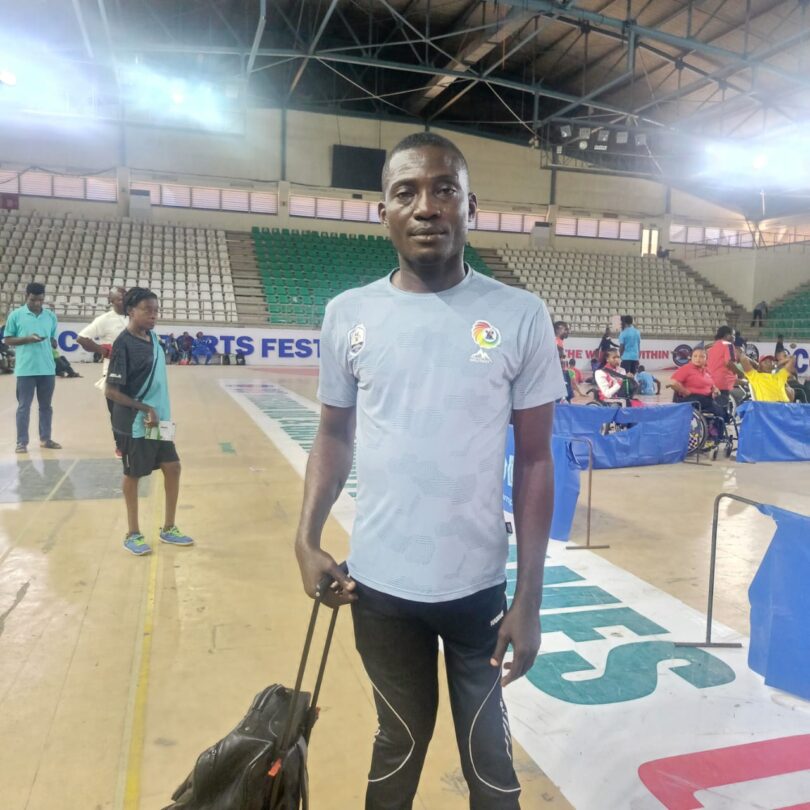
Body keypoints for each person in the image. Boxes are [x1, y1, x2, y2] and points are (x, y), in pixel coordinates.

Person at [294, 131, 564, 809]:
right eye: (406, 192)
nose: (426, 207)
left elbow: (537, 459)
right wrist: (306, 538)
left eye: (445, 189)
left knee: (491, 768)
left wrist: (530, 598)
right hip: (378, 591)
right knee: (399, 746)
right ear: (382, 210)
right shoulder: (348, 314)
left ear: (470, 206)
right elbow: (332, 434)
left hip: (479, 593)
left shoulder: (520, 315)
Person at [105, 287, 194, 556]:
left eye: (156, 310)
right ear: (131, 311)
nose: (153, 315)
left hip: (159, 420)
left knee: (173, 467)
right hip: (136, 422)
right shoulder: (123, 344)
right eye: (147, 310)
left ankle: (169, 528)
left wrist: (156, 411)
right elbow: (111, 391)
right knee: (133, 474)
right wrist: (144, 408)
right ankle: (132, 533)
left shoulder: (153, 338)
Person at [3, 282, 62, 453]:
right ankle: (21, 442)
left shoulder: (50, 316)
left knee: (46, 407)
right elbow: (8, 339)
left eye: (40, 300)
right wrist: (27, 339)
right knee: (24, 407)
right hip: (25, 370)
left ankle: (45, 438)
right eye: (33, 300)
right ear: (26, 296)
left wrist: (53, 342)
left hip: (47, 369)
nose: (37, 303)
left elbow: (53, 338)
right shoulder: (16, 315)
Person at [77, 287, 129, 457]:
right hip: (114, 373)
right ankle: (121, 446)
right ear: (111, 301)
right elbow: (82, 337)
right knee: (117, 411)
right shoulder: (105, 320)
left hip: (138, 373)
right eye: (120, 299)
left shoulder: (136, 318)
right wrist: (103, 350)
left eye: (126, 297)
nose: (124, 301)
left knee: (143, 410)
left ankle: (149, 446)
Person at [666, 348, 727, 422]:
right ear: (691, 358)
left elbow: (712, 384)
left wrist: (715, 389)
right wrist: (685, 392)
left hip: (706, 398)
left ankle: (721, 423)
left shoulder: (707, 371)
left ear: (706, 359)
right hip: (692, 399)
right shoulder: (686, 369)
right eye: (695, 356)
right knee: (713, 405)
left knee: (722, 403)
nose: (698, 359)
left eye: (702, 356)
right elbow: (673, 383)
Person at [707, 326, 743, 408]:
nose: (734, 337)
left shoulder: (711, 346)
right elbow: (729, 363)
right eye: (733, 335)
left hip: (711, 381)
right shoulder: (729, 345)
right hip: (724, 382)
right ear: (727, 335)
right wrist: (740, 373)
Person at [554, 320, 572, 401]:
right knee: (562, 398)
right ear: (558, 330)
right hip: (559, 374)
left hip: (562, 372)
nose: (568, 331)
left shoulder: (559, 342)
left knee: (568, 396)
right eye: (566, 329)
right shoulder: (555, 342)